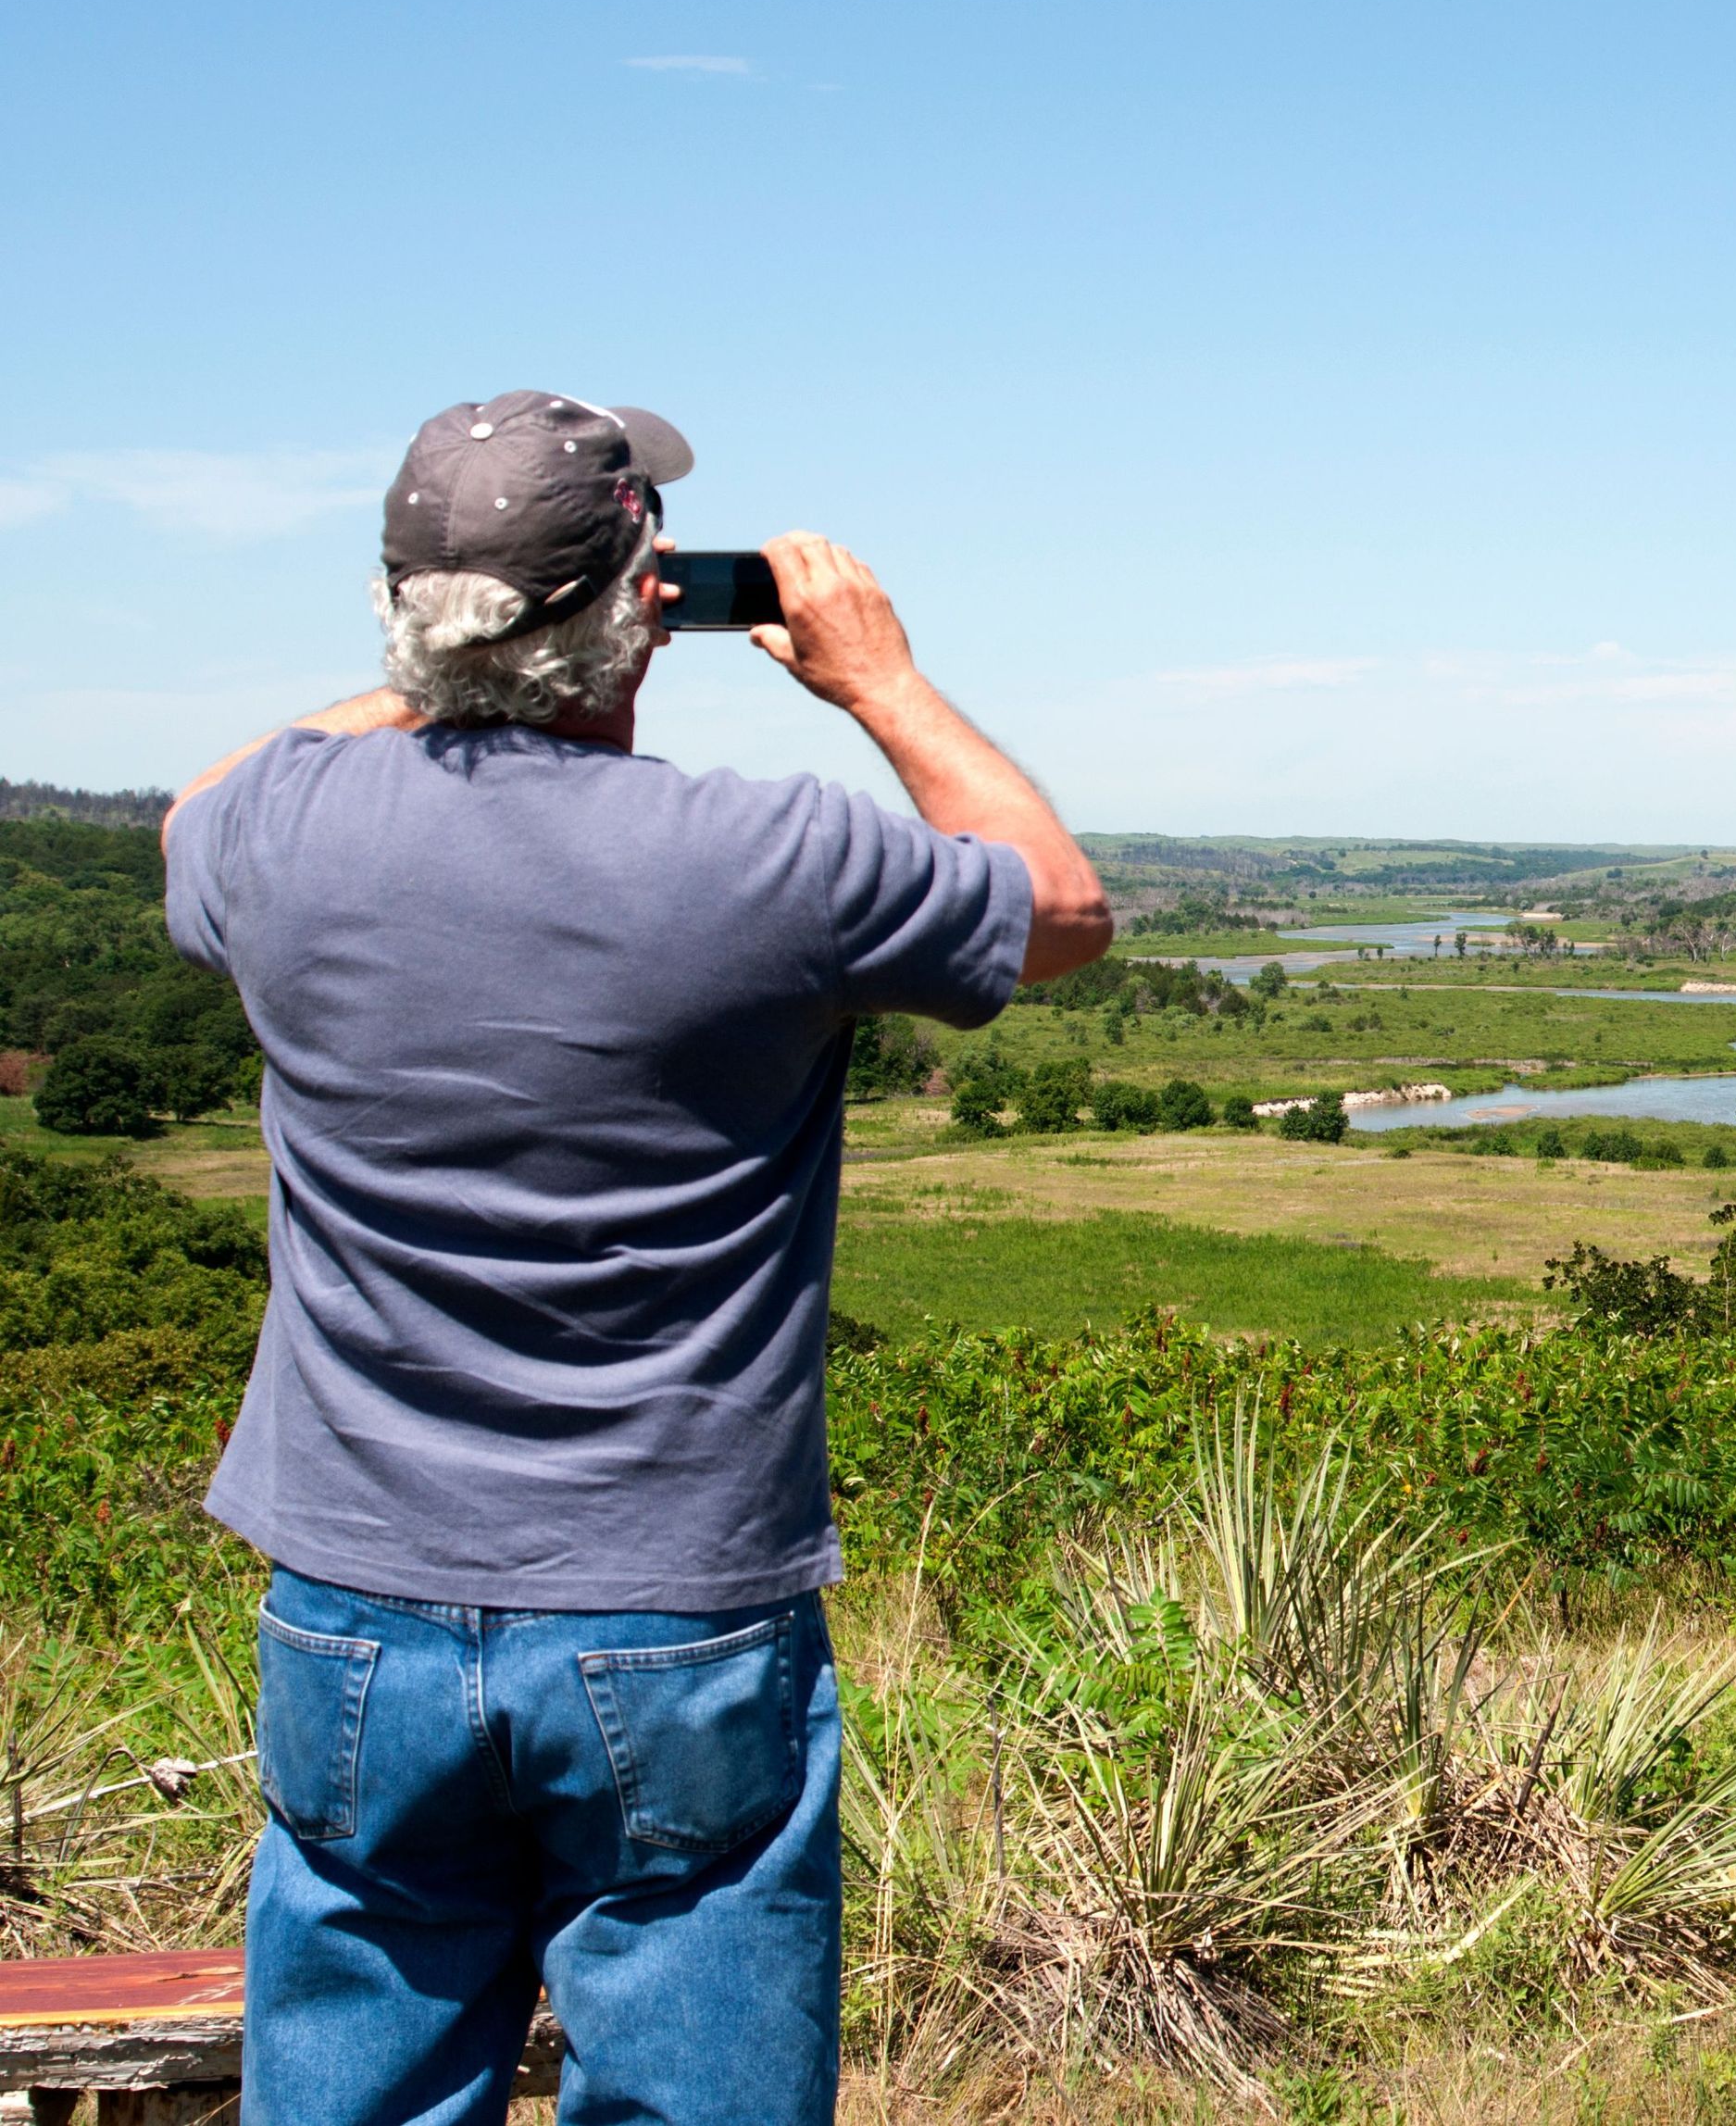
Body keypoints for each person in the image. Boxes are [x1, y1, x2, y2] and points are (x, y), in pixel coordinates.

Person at [161, 392, 1111, 2123]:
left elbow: (194, 809)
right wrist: (880, 679)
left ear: (400, 601)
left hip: (351, 1596)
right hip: (670, 1600)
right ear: (642, 603)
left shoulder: (279, 839)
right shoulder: (760, 857)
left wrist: (447, 658)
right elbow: (1058, 908)